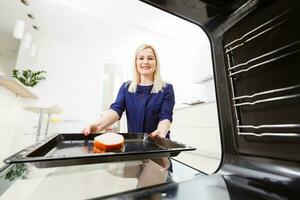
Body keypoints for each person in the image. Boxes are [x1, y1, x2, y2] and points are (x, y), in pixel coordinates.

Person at [83, 44, 175, 138]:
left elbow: (165, 116)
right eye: (141, 58)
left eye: (150, 58)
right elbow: (116, 110)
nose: (145, 62)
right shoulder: (126, 88)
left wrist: (161, 132)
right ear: (136, 62)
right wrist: (97, 126)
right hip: (135, 144)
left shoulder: (166, 89)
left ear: (156, 63)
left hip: (158, 143)